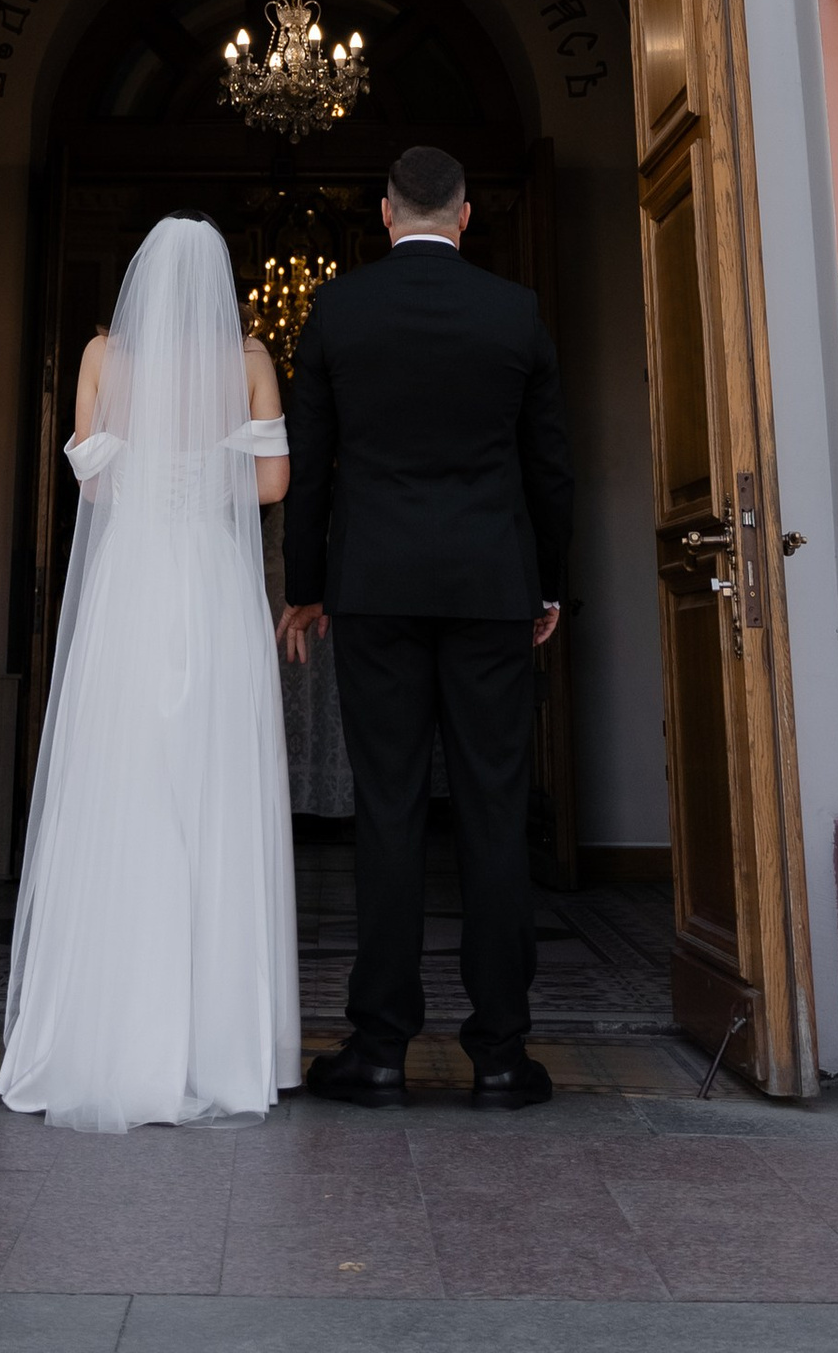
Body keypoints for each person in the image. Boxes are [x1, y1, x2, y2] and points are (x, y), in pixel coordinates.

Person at [279, 143, 574, 1110]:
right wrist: (548, 586)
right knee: (493, 811)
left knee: (388, 810)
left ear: (385, 213)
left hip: (374, 588)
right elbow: (550, 467)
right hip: (492, 589)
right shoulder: (514, 313)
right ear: (465, 216)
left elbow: (310, 466)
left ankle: (378, 1049)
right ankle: (501, 1053)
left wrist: (307, 585)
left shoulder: (339, 310)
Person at [0, 214, 301, 1130]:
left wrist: (151, 471)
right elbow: (273, 486)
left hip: (131, 584)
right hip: (210, 580)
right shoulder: (249, 358)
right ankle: (216, 1043)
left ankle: (109, 1027)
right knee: (214, 786)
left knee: (123, 783)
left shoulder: (104, 357)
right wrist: (207, 473)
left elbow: (91, 483)